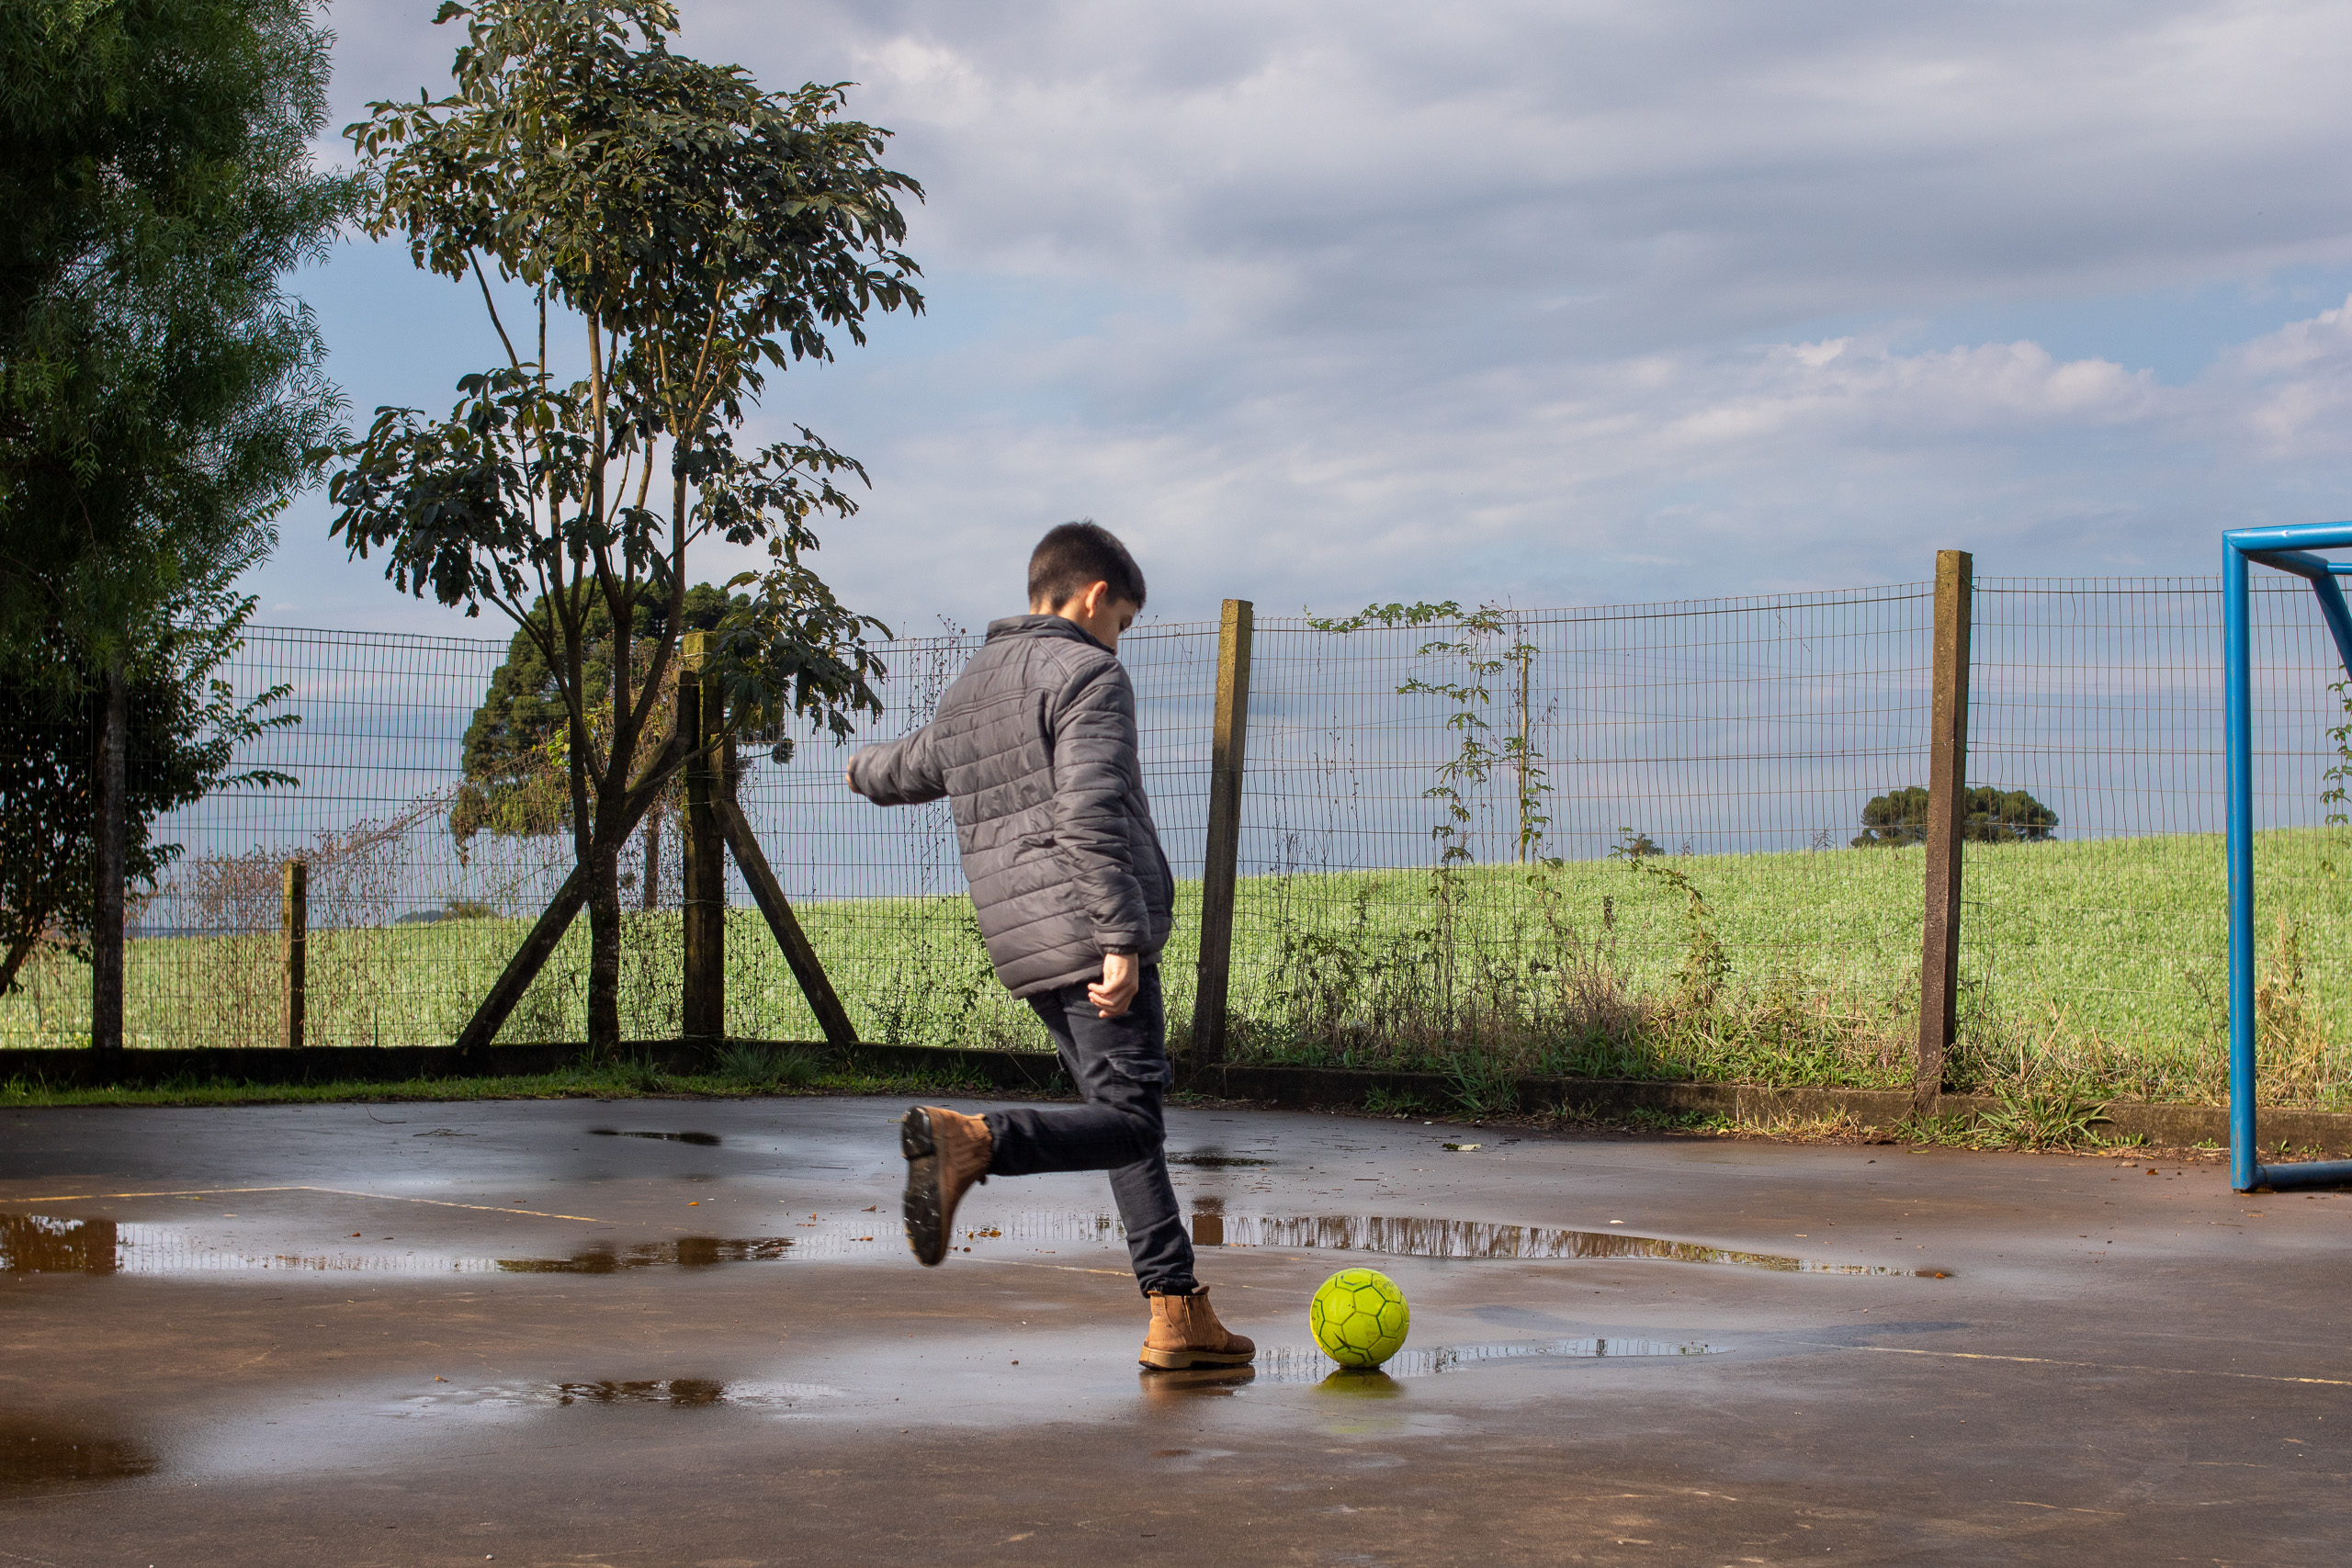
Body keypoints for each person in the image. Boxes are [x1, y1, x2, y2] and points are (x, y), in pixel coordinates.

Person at [844, 521, 1255, 1371]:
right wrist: (1121, 938)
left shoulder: (975, 686)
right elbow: (1088, 813)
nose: (1121, 641)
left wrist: (858, 767)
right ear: (1095, 597)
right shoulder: (1089, 673)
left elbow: (911, 767)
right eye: (1125, 623)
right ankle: (977, 1141)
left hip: (1025, 943)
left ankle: (1176, 1312)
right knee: (1133, 1120)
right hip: (1088, 932)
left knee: (1119, 1119)